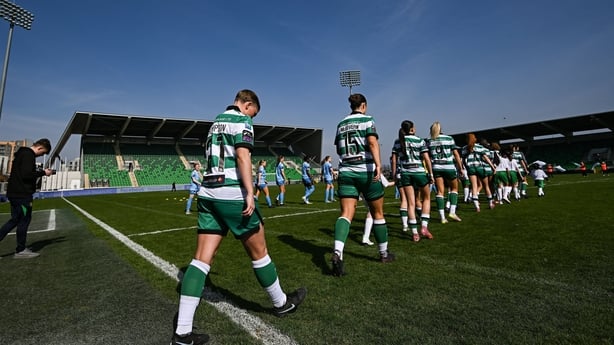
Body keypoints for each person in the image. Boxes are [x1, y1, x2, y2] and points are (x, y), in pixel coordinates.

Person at [171, 90, 306, 345]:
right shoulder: (241, 122)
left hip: (208, 193)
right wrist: (250, 194)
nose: (251, 119)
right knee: (260, 251)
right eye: (252, 113)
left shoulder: (214, 123)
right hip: (232, 192)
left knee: (200, 260)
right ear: (247, 104)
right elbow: (243, 156)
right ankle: (281, 303)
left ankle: (182, 333)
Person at [330, 93, 395, 277]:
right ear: (364, 105)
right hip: (365, 170)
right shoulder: (368, 120)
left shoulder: (341, 123)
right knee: (378, 213)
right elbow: (372, 142)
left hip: (346, 171)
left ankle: (337, 252)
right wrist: (379, 165)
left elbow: (337, 148)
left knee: (346, 214)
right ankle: (384, 254)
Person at [0, 138, 53, 258]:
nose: (41, 155)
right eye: (43, 152)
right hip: (22, 195)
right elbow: (27, 175)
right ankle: (21, 249)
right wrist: (44, 173)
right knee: (23, 220)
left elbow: (24, 173)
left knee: (15, 220)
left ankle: (21, 248)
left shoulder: (21, 154)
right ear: (40, 148)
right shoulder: (28, 155)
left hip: (15, 193)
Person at [397, 120, 434, 242]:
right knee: (426, 198)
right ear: (412, 129)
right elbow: (427, 159)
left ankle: (414, 233)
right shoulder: (420, 140)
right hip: (419, 172)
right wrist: (431, 173)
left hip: (405, 173)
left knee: (411, 203)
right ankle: (424, 226)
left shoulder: (398, 141)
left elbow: (394, 159)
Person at [427, 121, 464, 223]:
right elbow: (456, 154)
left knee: (440, 192)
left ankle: (442, 217)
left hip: (436, 167)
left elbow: (428, 156)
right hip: (448, 166)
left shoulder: (429, 140)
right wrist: (460, 168)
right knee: (454, 189)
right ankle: (452, 212)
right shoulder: (449, 138)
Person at [461, 133, 496, 212]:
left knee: (474, 186)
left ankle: (477, 206)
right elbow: (486, 157)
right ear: (475, 139)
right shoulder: (480, 147)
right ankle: (490, 203)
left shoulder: (464, 148)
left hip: (470, 168)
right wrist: (492, 167)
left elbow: (463, 161)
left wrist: (463, 168)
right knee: (486, 186)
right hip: (480, 167)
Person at [361, 174, 395, 246]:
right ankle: (366, 237)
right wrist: (396, 182)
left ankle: (366, 237)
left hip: (362, 192)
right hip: (372, 192)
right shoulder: (375, 171)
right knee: (374, 212)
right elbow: (386, 184)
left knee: (370, 212)